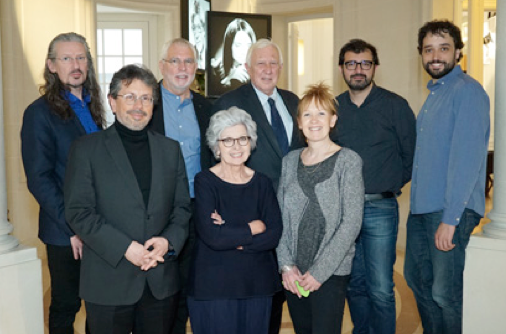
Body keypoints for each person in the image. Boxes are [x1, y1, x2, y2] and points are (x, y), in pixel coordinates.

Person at [64, 64, 191, 334]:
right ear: (112, 102)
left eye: (145, 98)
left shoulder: (170, 150)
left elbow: (182, 208)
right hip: (108, 279)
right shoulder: (86, 150)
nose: (138, 105)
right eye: (129, 97)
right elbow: (79, 212)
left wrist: (168, 241)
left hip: (159, 280)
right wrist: (126, 248)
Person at [404, 20, 490, 334]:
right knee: (418, 282)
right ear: (421, 55)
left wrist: (451, 218)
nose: (435, 56)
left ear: (458, 52)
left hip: (448, 212)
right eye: (429, 50)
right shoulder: (435, 95)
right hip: (422, 210)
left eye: (443, 48)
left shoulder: (467, 92)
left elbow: (467, 161)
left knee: (445, 293)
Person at [212, 38, 302, 334]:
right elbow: (214, 162)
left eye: (273, 63)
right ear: (247, 67)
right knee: (257, 294)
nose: (267, 69)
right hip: (251, 216)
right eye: (260, 63)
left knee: (290, 288)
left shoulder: (294, 102)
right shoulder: (229, 103)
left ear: (281, 67)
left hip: (295, 213)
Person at [20, 32, 105, 334]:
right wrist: (74, 226)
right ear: (52, 65)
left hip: (100, 228)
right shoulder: (38, 114)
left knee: (101, 305)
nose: (76, 64)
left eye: (81, 57)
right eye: (66, 58)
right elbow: (39, 179)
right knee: (66, 306)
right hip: (65, 232)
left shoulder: (96, 105)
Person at [331, 39, 416, 334]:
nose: (358, 70)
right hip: (343, 211)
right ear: (341, 67)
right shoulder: (333, 109)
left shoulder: (395, 106)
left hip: (381, 207)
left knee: (380, 286)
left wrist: (387, 183)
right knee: (354, 284)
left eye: (365, 63)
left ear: (375, 67)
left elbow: (410, 158)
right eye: (351, 63)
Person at [277, 82, 364, 334]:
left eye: (321, 113)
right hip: (294, 274)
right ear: (300, 122)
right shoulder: (289, 161)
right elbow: (280, 218)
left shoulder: (348, 161)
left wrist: (319, 272)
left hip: (331, 271)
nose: (314, 120)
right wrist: (286, 266)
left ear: (333, 120)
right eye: (307, 114)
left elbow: (351, 223)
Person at [187, 107, 283, 334]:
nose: (237, 146)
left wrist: (233, 235)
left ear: (251, 142)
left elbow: (274, 233)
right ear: (216, 146)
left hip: (258, 285)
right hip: (214, 287)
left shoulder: (263, 183)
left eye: (242, 138)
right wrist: (252, 227)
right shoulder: (204, 181)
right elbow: (213, 236)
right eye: (228, 140)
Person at [149, 37, 213, 334]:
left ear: (196, 67)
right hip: (159, 210)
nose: (182, 67)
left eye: (188, 61)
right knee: (162, 288)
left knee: (192, 281)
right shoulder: (146, 105)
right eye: (175, 60)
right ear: (162, 66)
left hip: (198, 207)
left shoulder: (207, 107)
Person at [210, 18, 257, 89]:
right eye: (238, 45)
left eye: (248, 45)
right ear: (229, 45)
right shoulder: (216, 68)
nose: (244, 51)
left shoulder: (259, 70)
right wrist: (229, 78)